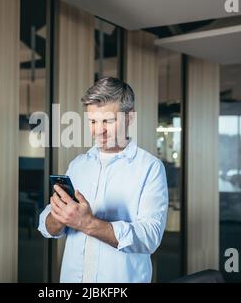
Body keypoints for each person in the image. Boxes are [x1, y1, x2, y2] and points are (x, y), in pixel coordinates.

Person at [38, 77, 168, 282]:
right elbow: (46, 227)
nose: (99, 130)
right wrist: (58, 216)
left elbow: (150, 237)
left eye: (108, 120)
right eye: (93, 121)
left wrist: (87, 223)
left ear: (130, 118)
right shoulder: (78, 165)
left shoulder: (150, 168)